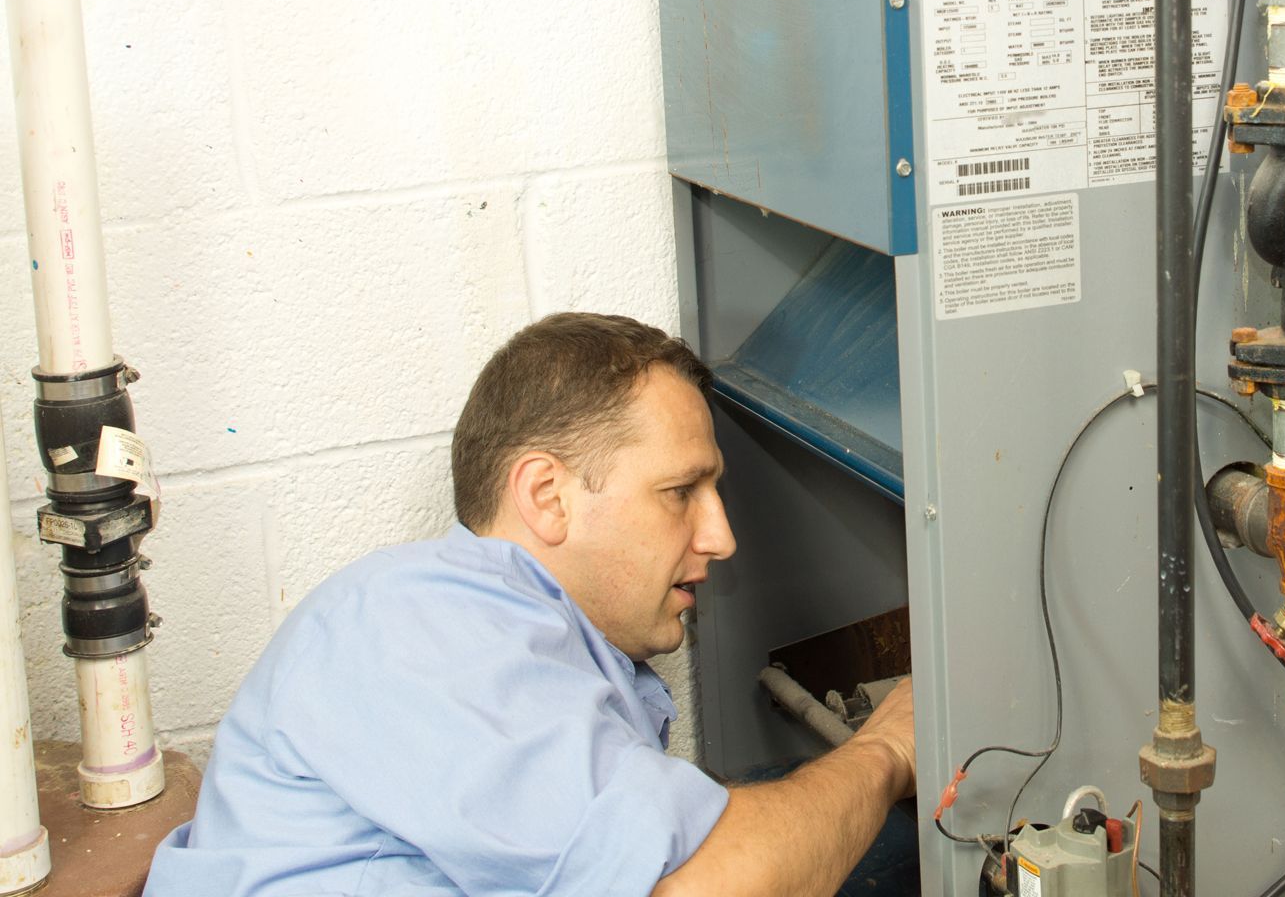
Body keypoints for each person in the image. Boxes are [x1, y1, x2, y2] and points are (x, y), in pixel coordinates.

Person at [145, 312, 916, 897]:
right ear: (547, 496)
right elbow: (702, 883)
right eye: (681, 492)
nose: (720, 536)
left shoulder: (502, 634)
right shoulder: (422, 628)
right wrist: (886, 752)